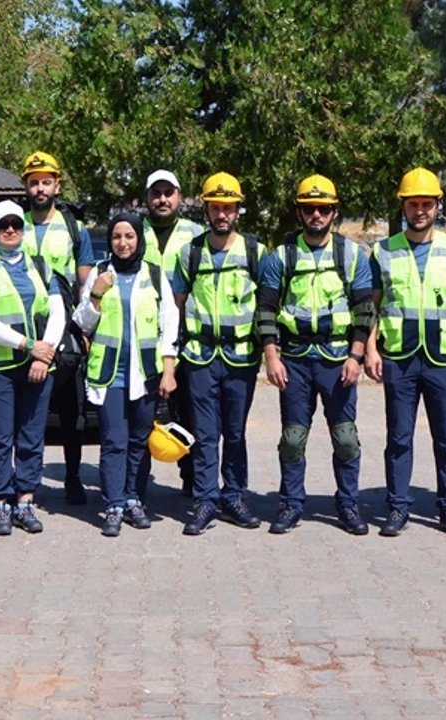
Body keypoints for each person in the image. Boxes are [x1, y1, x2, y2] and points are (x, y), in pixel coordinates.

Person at [364, 167, 446, 538]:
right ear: (403, 206)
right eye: (413, 203)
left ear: (437, 206)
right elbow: (371, 305)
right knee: (399, 438)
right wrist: (369, 348)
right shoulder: (383, 251)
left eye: (426, 204)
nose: (420, 210)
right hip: (399, 357)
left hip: (443, 358)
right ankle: (398, 508)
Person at [257, 174, 374, 535]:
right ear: (300, 212)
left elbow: (364, 311)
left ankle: (348, 504)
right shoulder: (282, 257)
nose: (316, 215)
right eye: (309, 209)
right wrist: (272, 358)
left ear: (334, 212)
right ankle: (291, 504)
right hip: (293, 360)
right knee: (293, 438)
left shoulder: (352, 254)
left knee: (345, 437)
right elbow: (266, 311)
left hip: (337, 359)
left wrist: (355, 357)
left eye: (323, 209)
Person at [171, 172, 266, 536]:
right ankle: (206, 499)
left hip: (241, 357)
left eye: (228, 207)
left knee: (235, 433)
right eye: (215, 208)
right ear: (206, 210)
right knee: (205, 434)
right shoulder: (189, 253)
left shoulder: (255, 252)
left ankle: (234, 496)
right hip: (200, 357)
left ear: (238, 210)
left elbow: (267, 305)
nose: (222, 214)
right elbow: (177, 307)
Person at [73, 213, 179, 536]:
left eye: (129, 236)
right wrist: (95, 295)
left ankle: (135, 499)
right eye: (117, 236)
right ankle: (113, 505)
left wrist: (169, 369)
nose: (123, 242)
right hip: (109, 374)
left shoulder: (156, 274)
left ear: (139, 239)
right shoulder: (100, 275)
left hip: (146, 373)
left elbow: (169, 322)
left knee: (138, 441)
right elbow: (82, 322)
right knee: (114, 442)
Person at [0, 200, 65, 535]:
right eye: (3, 224)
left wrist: (43, 353)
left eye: (16, 224)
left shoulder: (40, 265)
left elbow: (57, 312)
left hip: (38, 365)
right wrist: (28, 345)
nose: (10, 230)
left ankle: (25, 501)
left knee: (31, 437)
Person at [20, 151, 95, 505]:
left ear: (56, 185)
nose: (39, 188)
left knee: (71, 410)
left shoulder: (73, 228)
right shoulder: (12, 224)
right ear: (26, 186)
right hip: (25, 327)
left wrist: (86, 329)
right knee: (27, 410)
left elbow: (84, 282)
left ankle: (73, 477)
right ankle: (25, 482)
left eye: (45, 181)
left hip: (65, 327)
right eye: (33, 182)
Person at [142, 169, 204, 497]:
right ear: (147, 198)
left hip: (188, 338)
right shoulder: (134, 232)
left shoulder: (196, 234)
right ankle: (136, 488)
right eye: (156, 193)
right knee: (143, 416)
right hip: (144, 338)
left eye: (169, 192)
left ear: (180, 197)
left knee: (191, 411)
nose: (162, 199)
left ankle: (193, 483)